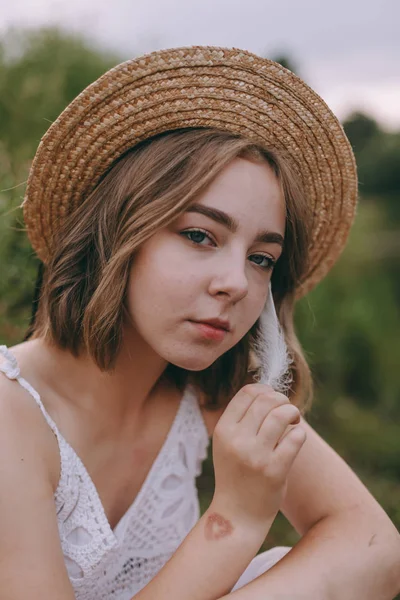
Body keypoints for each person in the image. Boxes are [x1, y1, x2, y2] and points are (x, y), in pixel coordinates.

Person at [0, 46, 399, 600]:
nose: (236, 282)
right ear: (117, 232)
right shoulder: (9, 413)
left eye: (261, 257)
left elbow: (375, 547)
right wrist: (233, 519)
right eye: (199, 236)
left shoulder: (211, 388)